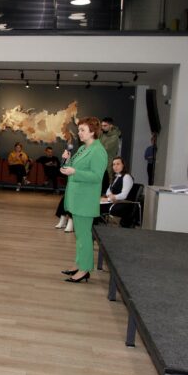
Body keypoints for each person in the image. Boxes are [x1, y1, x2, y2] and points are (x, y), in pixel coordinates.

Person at [60, 116, 108, 283]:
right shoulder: (83, 148)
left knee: (84, 236)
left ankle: (85, 269)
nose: (79, 133)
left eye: (82, 130)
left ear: (92, 132)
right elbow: (71, 167)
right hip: (77, 198)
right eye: (79, 129)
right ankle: (79, 263)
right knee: (80, 236)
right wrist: (67, 160)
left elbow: (96, 176)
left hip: (85, 200)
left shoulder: (98, 151)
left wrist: (75, 172)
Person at [100, 157, 135, 227]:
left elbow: (124, 195)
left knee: (97, 206)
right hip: (114, 202)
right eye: (114, 164)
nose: (115, 166)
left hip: (123, 204)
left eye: (118, 164)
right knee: (95, 204)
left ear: (123, 165)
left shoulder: (126, 177)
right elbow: (108, 191)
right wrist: (110, 195)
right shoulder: (116, 177)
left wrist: (108, 199)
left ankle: (95, 226)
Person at [99, 117, 122, 185]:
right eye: (102, 125)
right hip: (101, 163)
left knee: (109, 184)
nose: (102, 127)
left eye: (105, 126)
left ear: (111, 126)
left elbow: (104, 149)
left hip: (109, 164)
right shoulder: (102, 134)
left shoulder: (115, 137)